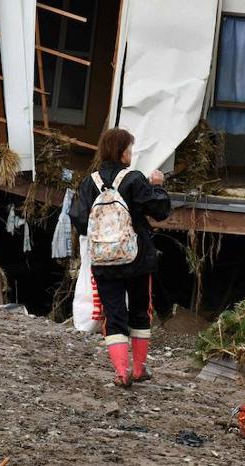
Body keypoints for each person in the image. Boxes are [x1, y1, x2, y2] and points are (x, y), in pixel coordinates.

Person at [69, 127, 171, 387]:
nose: (131, 154)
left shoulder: (88, 182)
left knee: (113, 316)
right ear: (122, 151)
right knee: (140, 312)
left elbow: (80, 221)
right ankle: (138, 369)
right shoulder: (135, 180)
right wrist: (157, 187)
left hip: (104, 260)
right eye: (129, 149)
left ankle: (120, 372)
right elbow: (160, 211)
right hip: (136, 259)